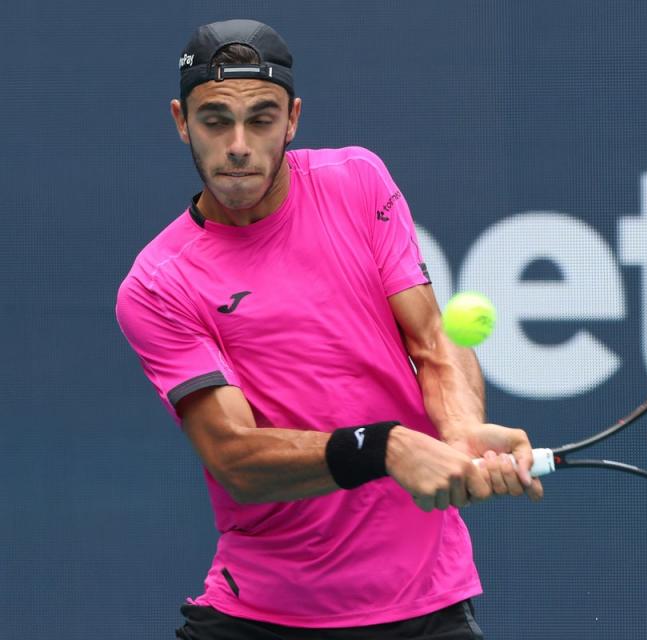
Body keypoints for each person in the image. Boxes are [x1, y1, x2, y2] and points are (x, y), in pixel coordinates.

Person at [115, 19, 543, 640]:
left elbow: (431, 340)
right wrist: (384, 447)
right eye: (215, 121)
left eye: (261, 119)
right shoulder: (158, 284)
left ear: (292, 120)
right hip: (262, 617)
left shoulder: (357, 181)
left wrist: (461, 427)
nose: (238, 144)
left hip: (428, 606)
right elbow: (235, 454)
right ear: (182, 121)